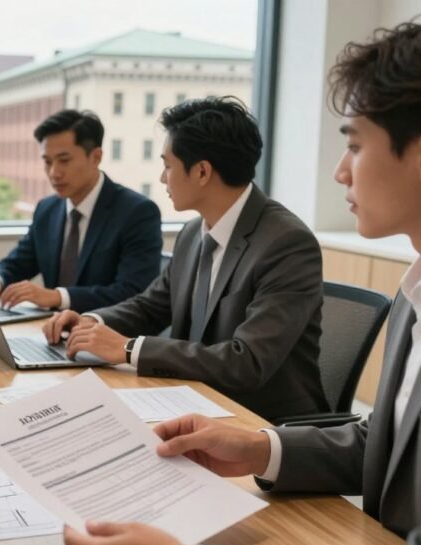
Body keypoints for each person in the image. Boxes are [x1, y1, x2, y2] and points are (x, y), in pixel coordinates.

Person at [63, 11, 421, 545]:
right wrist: (261, 449)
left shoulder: (296, 244)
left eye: (354, 146)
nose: (338, 172)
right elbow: (386, 439)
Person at [44, 97, 327, 421]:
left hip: (262, 423)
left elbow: (246, 362)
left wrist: (127, 348)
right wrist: (93, 321)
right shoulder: (193, 232)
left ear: (202, 171)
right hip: (194, 401)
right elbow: (152, 306)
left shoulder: (286, 244)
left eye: (167, 165)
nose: (163, 178)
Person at [0, 109, 162, 313]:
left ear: (96, 157)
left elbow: (132, 292)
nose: (54, 173)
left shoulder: (137, 212)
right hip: (49, 330)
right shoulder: (47, 209)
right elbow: (19, 262)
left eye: (64, 160)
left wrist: (57, 296)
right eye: (47, 162)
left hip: (104, 335)